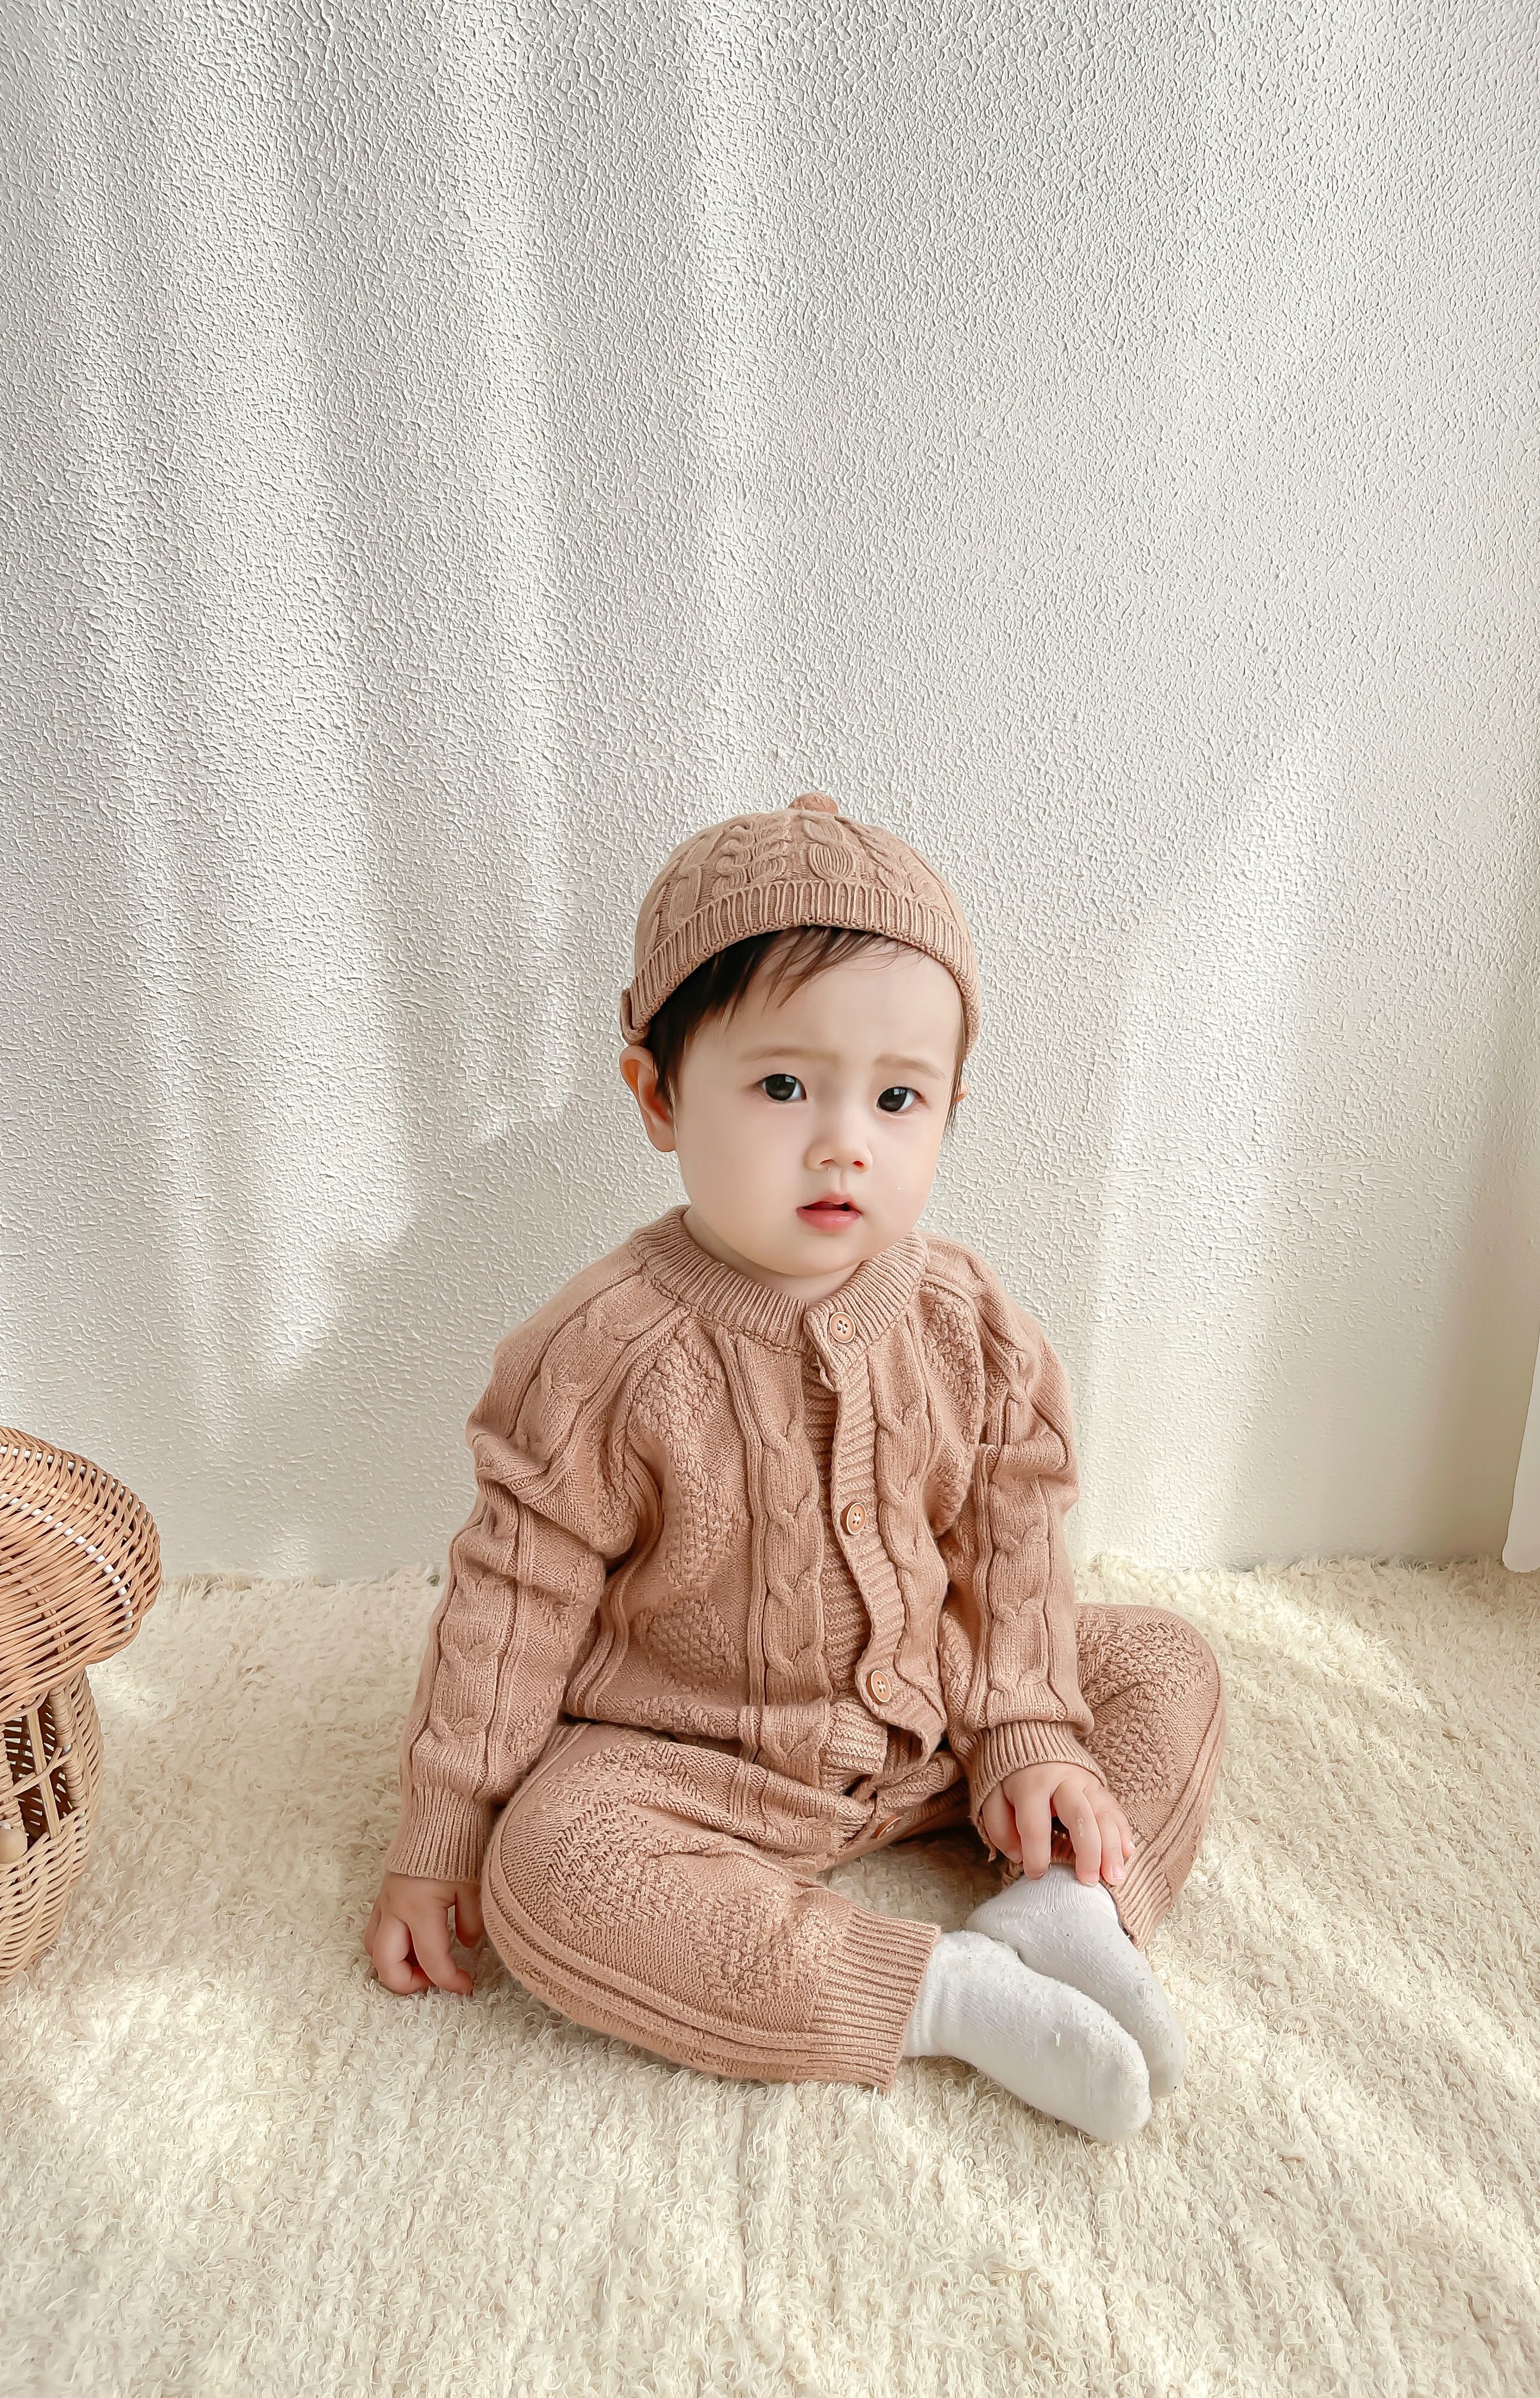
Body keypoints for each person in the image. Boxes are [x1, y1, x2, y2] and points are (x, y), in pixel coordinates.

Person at [362, 790, 1225, 2140]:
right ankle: (940, 1992)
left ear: (949, 1107)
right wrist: (443, 1836)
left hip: (940, 1729)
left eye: (899, 1097)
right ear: (658, 1095)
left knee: (1164, 1663)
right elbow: (511, 1606)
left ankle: (1068, 1907)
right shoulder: (600, 1355)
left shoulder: (971, 1324)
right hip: (692, 1762)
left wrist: (1027, 1734)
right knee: (550, 1873)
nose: (844, 1140)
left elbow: (1013, 1544)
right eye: (782, 1087)